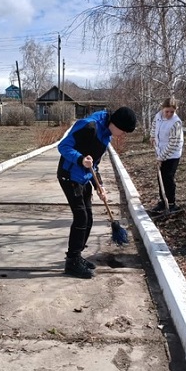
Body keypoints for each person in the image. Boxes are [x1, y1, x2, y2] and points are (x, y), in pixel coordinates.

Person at [57, 107, 138, 279]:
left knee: (89, 219)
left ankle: (77, 256)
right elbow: (63, 146)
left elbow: (94, 164)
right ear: (115, 123)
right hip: (69, 175)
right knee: (81, 217)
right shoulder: (89, 126)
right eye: (123, 131)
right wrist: (80, 159)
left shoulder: (106, 135)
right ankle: (71, 262)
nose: (122, 135)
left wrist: (98, 184)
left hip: (84, 178)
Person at [149, 97, 184, 213]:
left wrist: (161, 158)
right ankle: (163, 201)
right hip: (160, 150)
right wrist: (152, 136)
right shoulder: (158, 116)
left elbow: (173, 144)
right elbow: (154, 126)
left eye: (172, 112)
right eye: (167, 111)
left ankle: (172, 203)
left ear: (175, 110)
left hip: (172, 154)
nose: (169, 114)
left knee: (168, 177)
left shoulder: (176, 123)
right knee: (160, 177)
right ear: (162, 109)